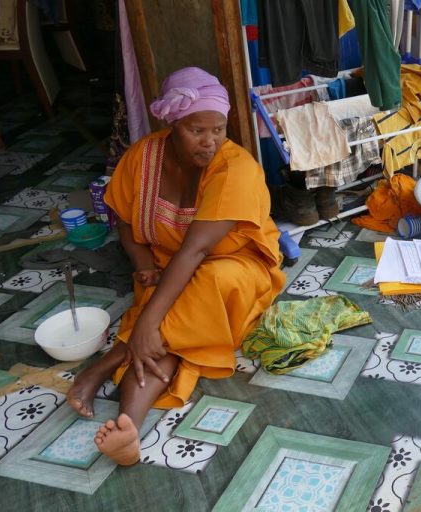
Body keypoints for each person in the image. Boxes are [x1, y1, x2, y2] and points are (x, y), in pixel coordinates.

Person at [66, 67, 285, 465]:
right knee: (165, 338)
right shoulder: (143, 156)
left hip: (235, 269)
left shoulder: (237, 168)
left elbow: (198, 251)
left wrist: (147, 323)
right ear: (172, 125)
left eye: (218, 129)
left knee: (174, 311)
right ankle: (128, 427)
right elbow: (127, 221)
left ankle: (106, 364)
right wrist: (144, 261)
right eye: (196, 130)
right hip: (168, 270)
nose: (210, 141)